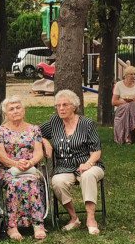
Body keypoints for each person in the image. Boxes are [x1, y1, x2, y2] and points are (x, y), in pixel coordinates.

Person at [40, 89, 104, 235]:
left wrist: (88, 164)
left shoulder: (86, 123)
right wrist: (45, 141)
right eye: (58, 105)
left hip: (89, 164)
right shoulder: (54, 122)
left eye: (65, 105)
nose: (61, 108)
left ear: (74, 106)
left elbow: (96, 151)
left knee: (88, 176)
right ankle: (73, 218)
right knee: (57, 182)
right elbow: (34, 132)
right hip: (64, 167)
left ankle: (91, 219)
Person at [0, 96, 46, 241]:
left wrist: (30, 163)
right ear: (6, 113)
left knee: (30, 179)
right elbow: (1, 155)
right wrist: (15, 164)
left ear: (23, 110)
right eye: (11, 109)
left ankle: (37, 225)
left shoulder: (34, 129)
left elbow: (38, 152)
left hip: (30, 169)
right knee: (16, 182)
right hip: (9, 171)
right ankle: (12, 226)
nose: (15, 111)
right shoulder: (0, 131)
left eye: (18, 108)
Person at [112, 68, 135, 144]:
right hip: (120, 109)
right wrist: (126, 101)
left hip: (134, 109)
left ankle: (128, 137)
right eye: (131, 74)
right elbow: (114, 102)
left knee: (131, 104)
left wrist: (131, 101)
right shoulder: (119, 85)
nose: (134, 76)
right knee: (129, 104)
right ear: (126, 75)